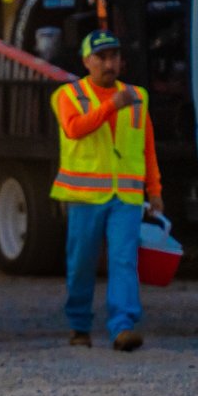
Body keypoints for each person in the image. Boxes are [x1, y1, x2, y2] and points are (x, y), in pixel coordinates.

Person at [50, 29, 162, 352]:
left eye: (114, 56)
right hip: (84, 196)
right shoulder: (67, 96)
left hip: (125, 197)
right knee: (82, 262)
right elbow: (75, 129)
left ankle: (122, 327)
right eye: (101, 57)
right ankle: (79, 326)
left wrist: (154, 190)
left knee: (124, 261)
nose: (109, 63)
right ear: (86, 61)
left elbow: (147, 148)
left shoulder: (137, 97)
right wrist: (111, 106)